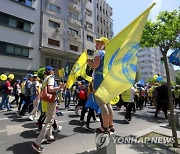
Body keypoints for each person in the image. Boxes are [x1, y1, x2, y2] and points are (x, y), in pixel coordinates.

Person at [32, 66, 63, 153]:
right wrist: (59, 88)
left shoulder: (45, 78)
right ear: (50, 71)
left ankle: (49, 137)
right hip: (50, 101)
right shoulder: (51, 78)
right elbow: (50, 89)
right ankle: (37, 143)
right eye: (53, 69)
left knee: (50, 119)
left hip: (46, 101)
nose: (54, 71)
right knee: (49, 121)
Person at [87, 37, 114, 133]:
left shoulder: (99, 53)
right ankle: (111, 125)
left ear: (103, 44)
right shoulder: (108, 55)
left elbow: (95, 66)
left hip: (99, 79)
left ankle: (105, 126)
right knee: (107, 103)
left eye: (98, 43)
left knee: (102, 104)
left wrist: (89, 62)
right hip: (106, 79)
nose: (95, 45)